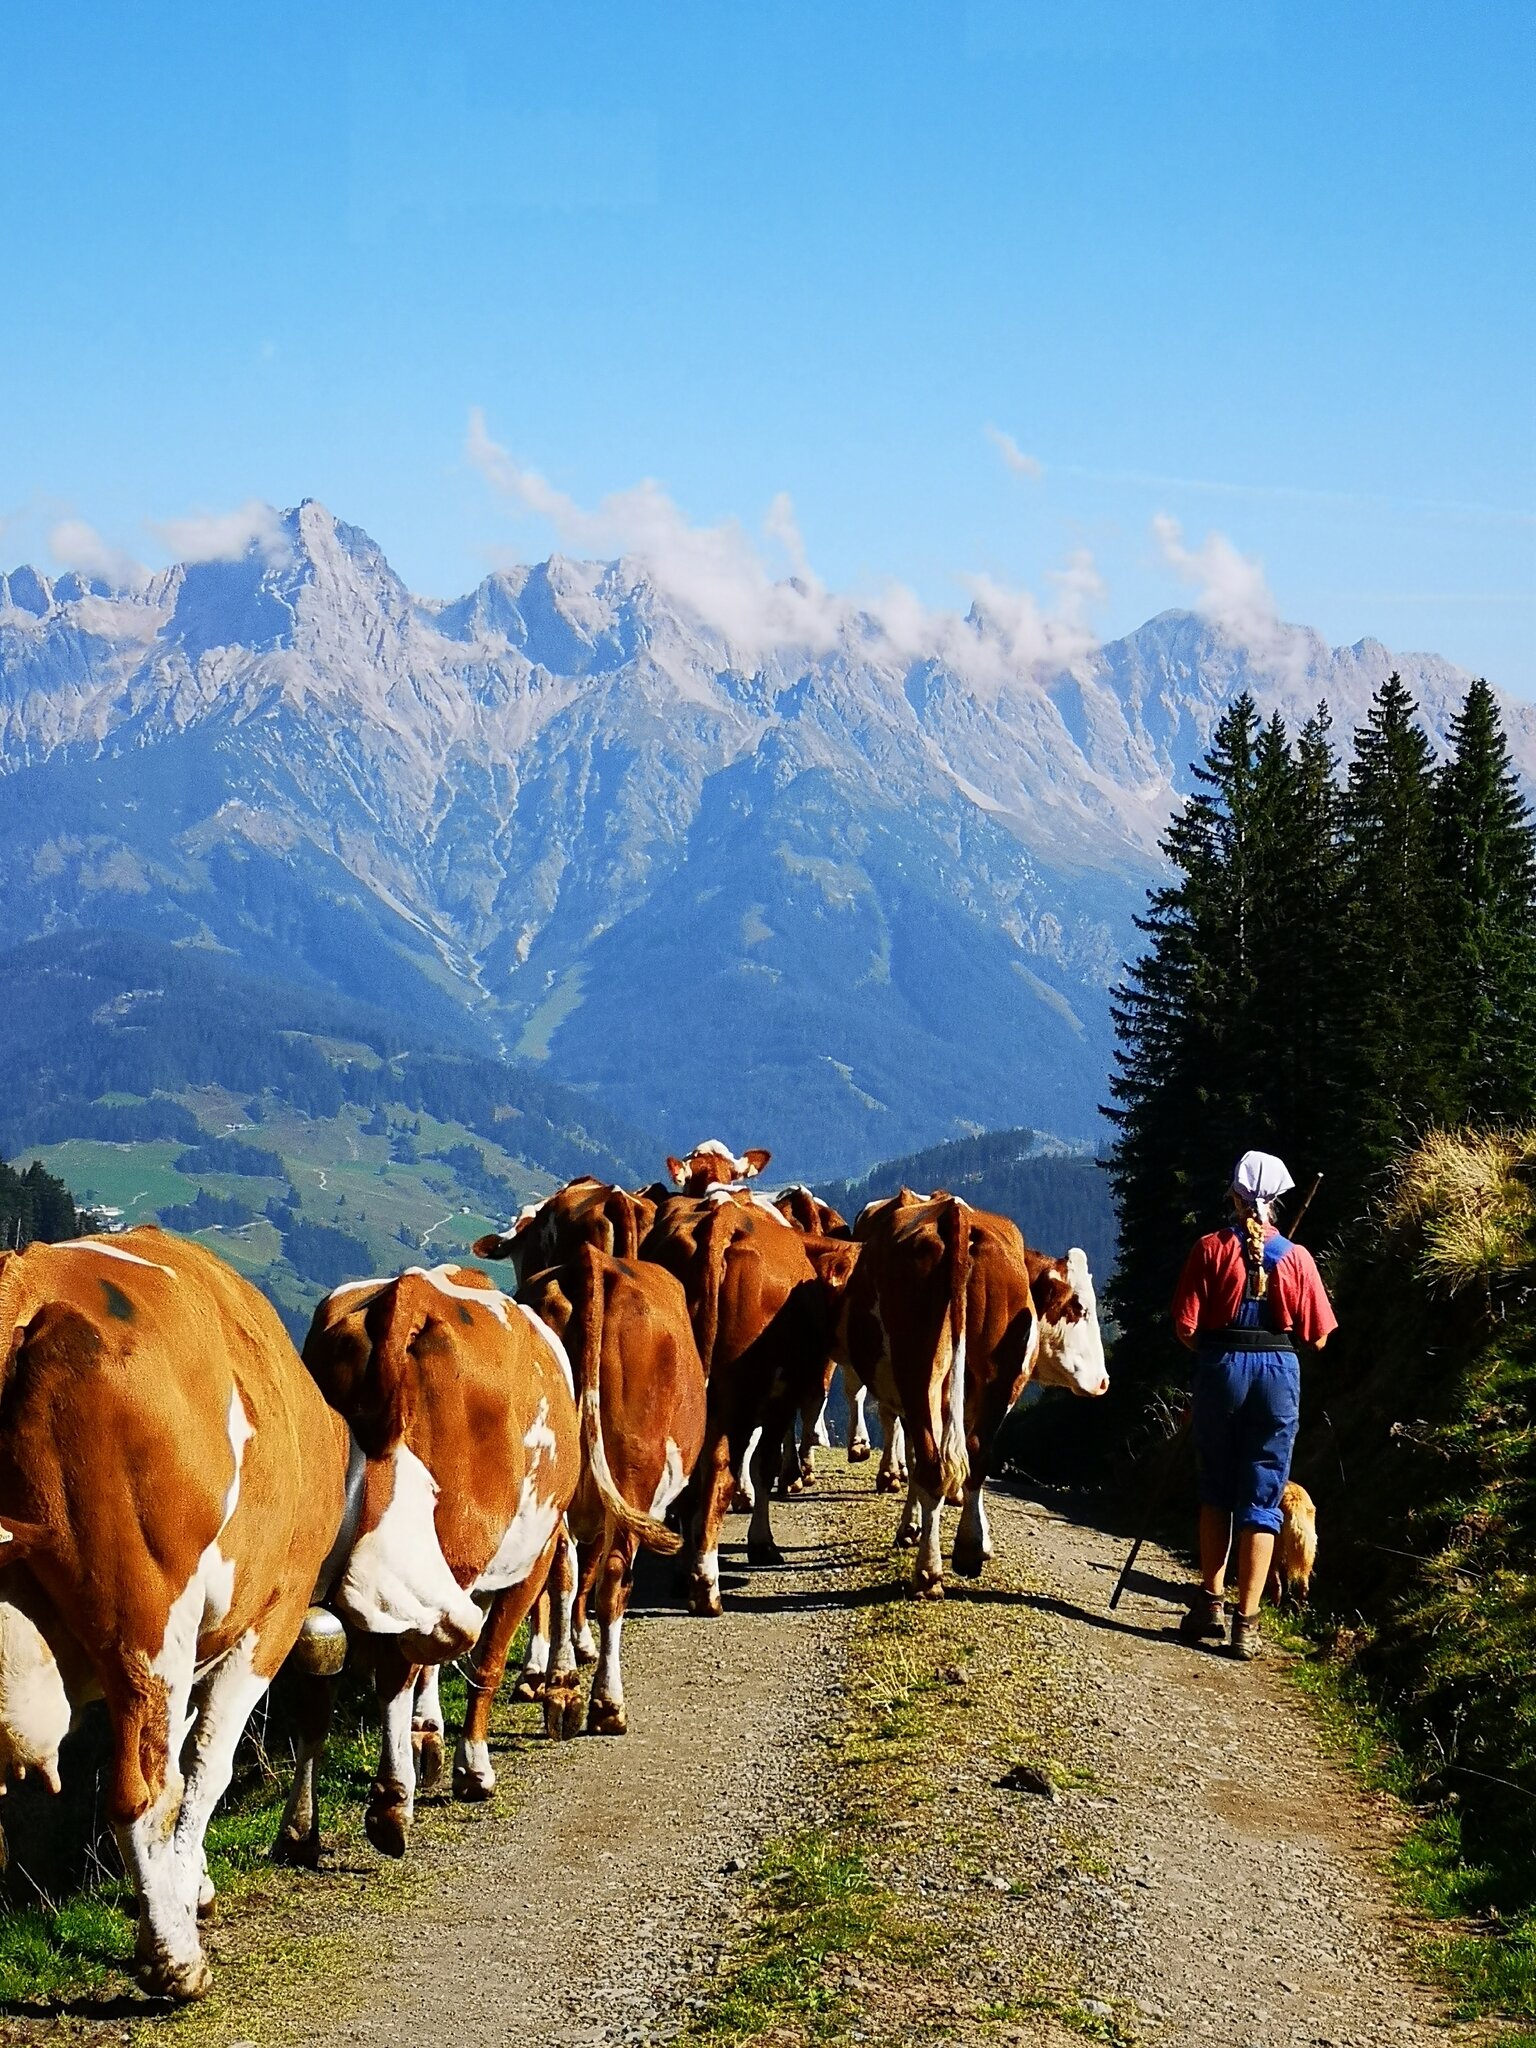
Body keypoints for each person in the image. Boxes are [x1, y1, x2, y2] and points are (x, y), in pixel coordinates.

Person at [1170, 1150, 1337, 1659]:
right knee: (1263, 1500)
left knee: (1217, 1490)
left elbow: (1185, 1327)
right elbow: (1320, 1337)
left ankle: (1210, 1602)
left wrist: (1216, 1358)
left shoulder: (1209, 1249)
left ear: (1234, 1196)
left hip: (1222, 1370)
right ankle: (1248, 1622)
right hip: (1277, 1377)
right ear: (1279, 1201)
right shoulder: (1298, 1257)